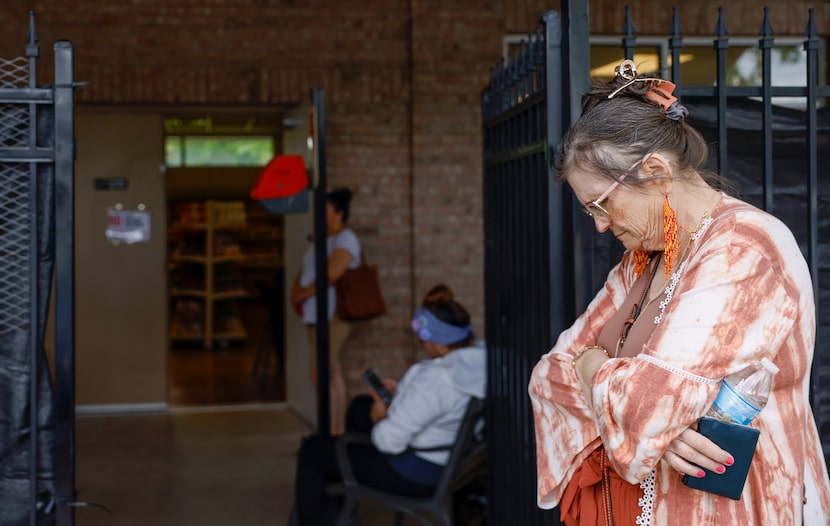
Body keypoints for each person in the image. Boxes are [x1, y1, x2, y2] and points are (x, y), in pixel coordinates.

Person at [528, 59, 830, 525]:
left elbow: (642, 414)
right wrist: (643, 412)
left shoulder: (745, 249)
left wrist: (598, 370)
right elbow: (549, 375)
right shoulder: (649, 257)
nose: (602, 225)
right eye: (590, 212)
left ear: (656, 170)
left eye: (602, 204)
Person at [291, 284, 486, 525]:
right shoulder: (478, 363)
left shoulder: (437, 380)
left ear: (438, 341)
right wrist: (403, 394)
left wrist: (380, 417)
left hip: (415, 473)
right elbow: (433, 406)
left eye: (422, 340)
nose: (420, 345)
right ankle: (344, 509)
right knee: (358, 407)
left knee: (314, 451)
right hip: (446, 459)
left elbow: (388, 441)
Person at [291, 187, 360, 436]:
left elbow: (333, 273)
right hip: (315, 315)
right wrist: (297, 291)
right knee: (332, 372)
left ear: (339, 213)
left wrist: (303, 293)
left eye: (326, 210)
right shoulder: (321, 239)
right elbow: (307, 270)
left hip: (333, 315)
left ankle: (331, 430)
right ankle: (334, 428)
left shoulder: (346, 239)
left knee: (322, 372)